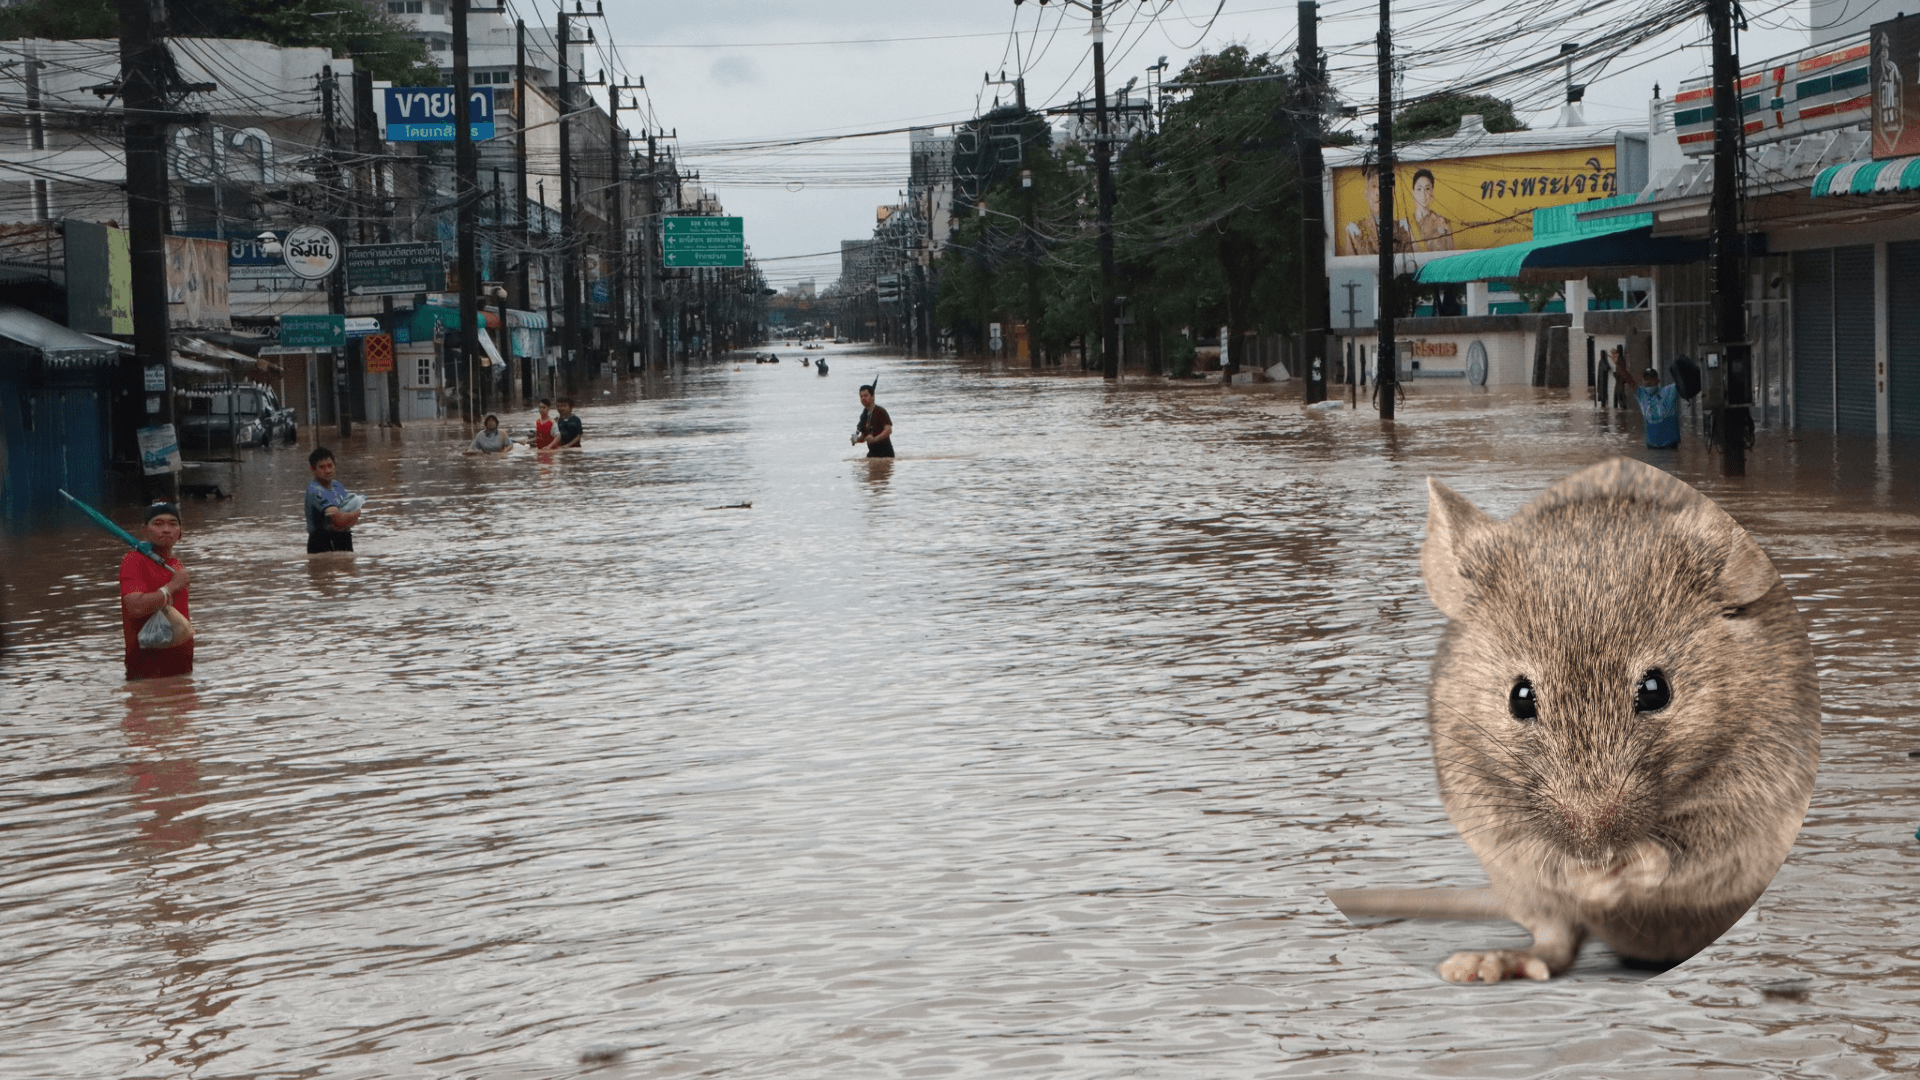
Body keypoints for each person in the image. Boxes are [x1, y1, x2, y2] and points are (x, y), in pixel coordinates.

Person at [120, 501, 193, 681]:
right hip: (147, 675)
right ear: (145, 531)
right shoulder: (133, 561)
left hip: (182, 672)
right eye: (158, 524)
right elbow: (135, 607)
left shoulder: (176, 566)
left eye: (172, 524)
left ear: (180, 533)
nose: (166, 529)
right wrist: (172, 587)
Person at [1615, 353, 1681, 449]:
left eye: (1652, 379)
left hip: (1670, 446)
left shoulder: (1670, 391)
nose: (1649, 381)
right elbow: (1629, 379)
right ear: (1642, 381)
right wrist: (1619, 364)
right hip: (1651, 446)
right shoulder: (1641, 394)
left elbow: (1683, 383)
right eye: (1646, 379)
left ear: (1658, 381)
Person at [305, 446, 363, 552]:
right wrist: (353, 515)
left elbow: (350, 507)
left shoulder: (337, 486)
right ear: (313, 469)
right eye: (322, 467)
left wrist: (353, 513)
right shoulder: (314, 490)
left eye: (330, 466)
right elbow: (335, 515)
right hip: (321, 542)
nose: (327, 471)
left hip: (342, 538)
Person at [1407, 168, 1456, 251]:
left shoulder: (1442, 222)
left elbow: (1450, 251)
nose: (1423, 194)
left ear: (1432, 191)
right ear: (1413, 192)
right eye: (1419, 189)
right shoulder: (1405, 224)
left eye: (1427, 189)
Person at [852, 384, 894, 458]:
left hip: (885, 453)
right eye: (861, 396)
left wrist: (874, 439)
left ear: (873, 396)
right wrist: (856, 440)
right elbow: (864, 437)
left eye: (866, 395)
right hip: (872, 453)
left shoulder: (880, 411)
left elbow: (888, 430)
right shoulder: (864, 415)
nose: (863, 398)